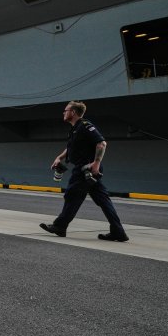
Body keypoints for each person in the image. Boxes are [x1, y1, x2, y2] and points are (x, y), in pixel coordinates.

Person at [40, 101, 129, 242]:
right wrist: (60, 157)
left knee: (72, 195)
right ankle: (118, 231)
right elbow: (71, 147)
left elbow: (102, 143)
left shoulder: (85, 126)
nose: (63, 113)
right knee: (103, 200)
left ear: (73, 112)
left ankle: (60, 226)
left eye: (65, 110)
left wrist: (96, 163)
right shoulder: (75, 129)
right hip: (88, 169)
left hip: (86, 169)